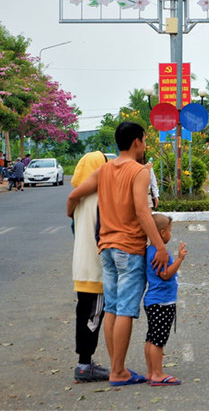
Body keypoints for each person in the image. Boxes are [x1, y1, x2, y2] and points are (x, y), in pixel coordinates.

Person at [66, 121, 169, 387]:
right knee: (125, 310)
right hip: (129, 248)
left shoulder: (104, 169)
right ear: (136, 142)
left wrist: (70, 213)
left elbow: (74, 195)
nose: (144, 145)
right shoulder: (139, 171)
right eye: (144, 140)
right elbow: (142, 211)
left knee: (111, 308)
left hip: (107, 249)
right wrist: (159, 245)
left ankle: (116, 369)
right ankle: (118, 372)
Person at [69, 151, 110, 382]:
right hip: (96, 270)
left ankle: (84, 363)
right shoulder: (101, 198)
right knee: (92, 318)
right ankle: (84, 365)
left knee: (84, 313)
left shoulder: (78, 200)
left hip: (80, 268)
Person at [144, 214, 187, 386]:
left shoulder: (150, 250)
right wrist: (179, 258)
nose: (170, 234)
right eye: (170, 230)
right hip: (162, 302)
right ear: (162, 233)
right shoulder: (160, 253)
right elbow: (166, 274)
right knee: (158, 340)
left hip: (153, 301)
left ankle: (150, 371)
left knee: (151, 337)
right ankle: (157, 373)